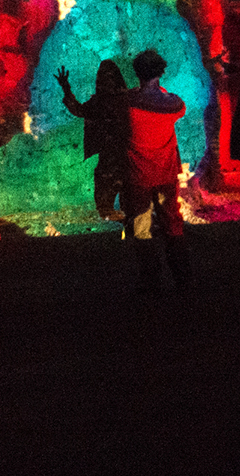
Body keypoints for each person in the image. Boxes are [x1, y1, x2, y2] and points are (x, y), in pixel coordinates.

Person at [123, 48, 193, 294]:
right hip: (165, 175)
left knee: (141, 229)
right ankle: (182, 279)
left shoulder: (127, 102)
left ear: (137, 73)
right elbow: (180, 106)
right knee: (172, 225)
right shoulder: (172, 104)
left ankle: (151, 282)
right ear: (161, 72)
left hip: (137, 176)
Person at [57, 59, 131, 222]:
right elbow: (79, 110)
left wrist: (66, 88)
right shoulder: (127, 100)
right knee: (124, 199)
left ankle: (121, 221)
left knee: (109, 199)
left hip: (113, 157)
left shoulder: (102, 102)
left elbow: (78, 110)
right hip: (124, 156)